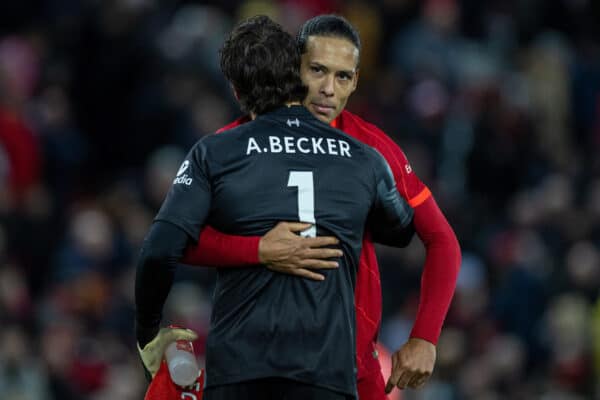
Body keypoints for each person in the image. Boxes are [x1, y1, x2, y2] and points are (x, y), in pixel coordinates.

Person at [181, 14, 462, 399]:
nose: (328, 89)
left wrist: (425, 337)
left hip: (350, 369)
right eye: (317, 70)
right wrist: (259, 250)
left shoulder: (374, 149)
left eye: (343, 76)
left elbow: (443, 240)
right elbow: (182, 238)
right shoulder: (235, 144)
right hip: (258, 367)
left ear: (356, 81)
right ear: (293, 68)